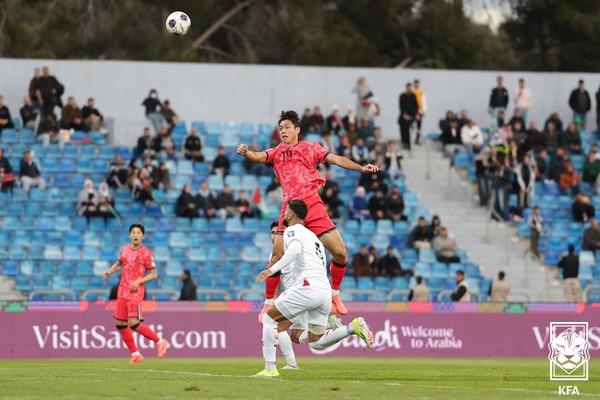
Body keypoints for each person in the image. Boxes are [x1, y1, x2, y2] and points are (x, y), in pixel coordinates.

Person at [237, 110, 379, 320]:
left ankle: (335, 294)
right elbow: (258, 157)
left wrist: (360, 168)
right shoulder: (277, 151)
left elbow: (336, 159)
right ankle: (268, 303)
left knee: (340, 253)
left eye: (287, 127)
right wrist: (247, 153)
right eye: (281, 128)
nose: (283, 131)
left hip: (312, 204)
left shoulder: (311, 148)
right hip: (291, 209)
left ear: (297, 130)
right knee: (277, 255)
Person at [254, 200, 373, 377]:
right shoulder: (314, 236)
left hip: (307, 287)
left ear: (290, 215)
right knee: (315, 341)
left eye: (286, 210)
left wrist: (271, 269)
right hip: (323, 289)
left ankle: (270, 369)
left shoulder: (291, 230)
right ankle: (352, 328)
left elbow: (294, 250)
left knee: (270, 320)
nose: (284, 213)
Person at [102, 224, 168, 364]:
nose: (136, 235)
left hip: (135, 293)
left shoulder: (147, 253)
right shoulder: (125, 249)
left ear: (142, 236)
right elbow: (120, 263)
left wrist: (138, 282)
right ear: (130, 235)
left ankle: (160, 342)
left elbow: (154, 274)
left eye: (139, 232)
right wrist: (109, 271)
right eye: (133, 232)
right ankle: (136, 354)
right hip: (122, 291)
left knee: (133, 323)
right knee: (120, 323)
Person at [398, 82, 419, 150]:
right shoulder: (402, 96)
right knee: (402, 125)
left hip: (412, 115)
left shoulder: (413, 96)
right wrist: (404, 114)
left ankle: (411, 143)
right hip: (404, 116)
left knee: (411, 128)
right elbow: (401, 106)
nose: (409, 89)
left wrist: (414, 115)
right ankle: (404, 142)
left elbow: (416, 106)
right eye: (408, 87)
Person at [412, 79, 427, 145]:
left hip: (420, 111)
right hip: (413, 111)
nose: (417, 85)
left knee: (419, 126)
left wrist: (424, 111)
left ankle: (417, 139)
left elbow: (424, 102)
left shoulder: (421, 92)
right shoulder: (412, 92)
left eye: (418, 83)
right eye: (416, 83)